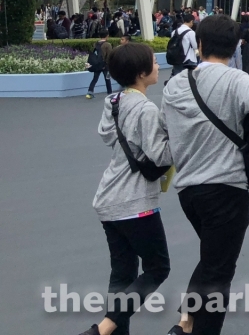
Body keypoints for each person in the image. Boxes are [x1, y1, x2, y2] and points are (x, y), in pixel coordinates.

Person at [161, 14, 249, 335]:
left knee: (212, 258)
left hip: (189, 192)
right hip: (226, 192)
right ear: (236, 46)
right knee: (219, 273)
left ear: (200, 44)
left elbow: (165, 130)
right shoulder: (236, 79)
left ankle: (186, 323)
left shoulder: (175, 85)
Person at [79, 42, 172, 335]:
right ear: (142, 73)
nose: (158, 66)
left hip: (109, 198)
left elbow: (106, 134)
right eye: (154, 63)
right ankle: (103, 329)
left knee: (122, 275)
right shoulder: (145, 109)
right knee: (158, 268)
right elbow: (162, 155)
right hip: (134, 202)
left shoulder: (115, 101)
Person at [85, 27, 114, 99]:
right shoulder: (108, 45)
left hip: (97, 64)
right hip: (105, 65)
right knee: (107, 79)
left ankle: (90, 92)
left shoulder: (96, 44)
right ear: (107, 36)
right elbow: (109, 55)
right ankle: (110, 93)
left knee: (95, 78)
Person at [168, 12, 198, 80]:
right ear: (191, 21)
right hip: (188, 59)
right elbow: (195, 46)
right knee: (189, 79)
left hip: (176, 58)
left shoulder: (174, 32)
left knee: (177, 78)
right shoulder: (190, 32)